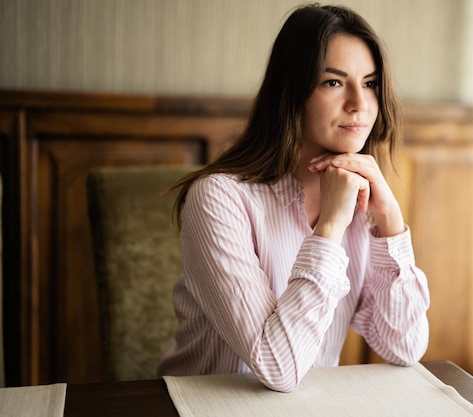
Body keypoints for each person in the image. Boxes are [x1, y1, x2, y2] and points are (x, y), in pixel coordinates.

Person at [157, 3, 430, 393]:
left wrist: (390, 220)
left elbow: (405, 346)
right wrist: (331, 226)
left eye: (369, 83)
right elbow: (277, 367)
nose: (359, 103)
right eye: (333, 82)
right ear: (292, 92)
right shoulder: (218, 198)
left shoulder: (363, 200)